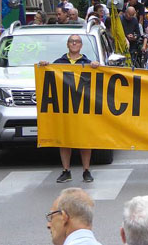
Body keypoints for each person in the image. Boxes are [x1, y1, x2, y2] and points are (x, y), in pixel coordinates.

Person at [38, 36, 99, 183]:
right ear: (67, 44)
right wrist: (44, 66)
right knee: (65, 139)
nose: (74, 43)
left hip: (82, 108)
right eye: (71, 41)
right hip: (65, 109)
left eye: (77, 41)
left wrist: (97, 66)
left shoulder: (88, 63)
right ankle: (66, 171)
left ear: (81, 45)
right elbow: (51, 78)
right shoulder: (59, 63)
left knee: (85, 140)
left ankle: (86, 170)